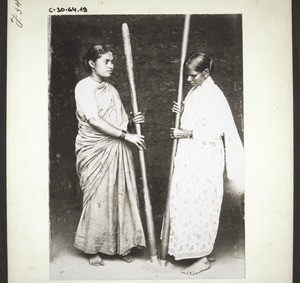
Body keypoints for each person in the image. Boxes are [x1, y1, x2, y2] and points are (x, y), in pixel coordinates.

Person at [168, 52, 244, 275]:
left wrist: (184, 132)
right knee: (189, 202)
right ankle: (204, 250)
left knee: (201, 203)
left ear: (206, 73)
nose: (188, 80)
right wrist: (183, 111)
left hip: (204, 158)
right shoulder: (197, 90)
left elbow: (214, 130)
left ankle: (202, 259)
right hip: (192, 156)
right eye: (187, 75)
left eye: (192, 76)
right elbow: (198, 117)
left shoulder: (214, 94)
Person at [74, 44, 146, 266]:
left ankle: (121, 244)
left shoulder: (111, 89)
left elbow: (119, 120)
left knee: (120, 194)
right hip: (95, 150)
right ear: (91, 63)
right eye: (107, 61)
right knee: (98, 197)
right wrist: (127, 135)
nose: (112, 66)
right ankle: (93, 247)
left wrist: (132, 123)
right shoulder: (83, 87)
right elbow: (94, 120)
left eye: (113, 61)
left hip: (117, 149)